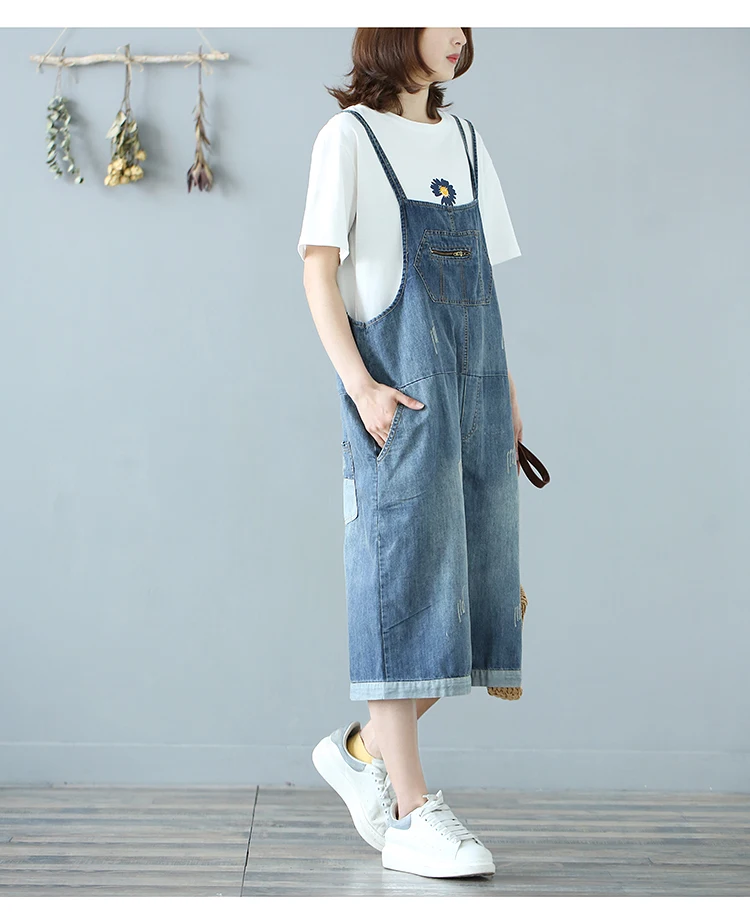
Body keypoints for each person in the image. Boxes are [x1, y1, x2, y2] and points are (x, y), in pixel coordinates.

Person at [298, 27, 524, 879]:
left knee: (479, 603)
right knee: (407, 597)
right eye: (440, 14)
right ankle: (409, 811)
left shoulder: (464, 141)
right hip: (400, 401)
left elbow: (484, 288)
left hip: (478, 398)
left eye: (465, 19)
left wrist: (507, 396)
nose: (458, 32)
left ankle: (360, 752)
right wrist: (361, 386)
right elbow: (318, 272)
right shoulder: (348, 138)